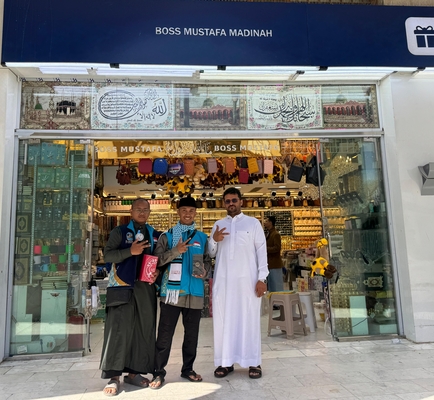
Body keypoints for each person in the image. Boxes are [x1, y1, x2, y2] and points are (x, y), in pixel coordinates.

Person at [100, 198, 161, 396]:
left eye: (145, 210)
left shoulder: (154, 234)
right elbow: (108, 255)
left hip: (145, 289)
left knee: (143, 330)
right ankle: (114, 377)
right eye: (138, 209)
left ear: (149, 212)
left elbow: (159, 260)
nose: (142, 212)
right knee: (118, 330)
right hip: (121, 287)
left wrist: (158, 272)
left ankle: (134, 373)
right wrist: (130, 251)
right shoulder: (119, 232)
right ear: (131, 211)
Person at [149, 195, 211, 390]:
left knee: (192, 335)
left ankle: (188, 369)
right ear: (178, 212)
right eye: (184, 210)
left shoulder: (202, 238)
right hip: (172, 293)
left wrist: (205, 271)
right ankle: (158, 372)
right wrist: (176, 250)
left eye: (191, 211)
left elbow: (207, 261)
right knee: (165, 334)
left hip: (195, 293)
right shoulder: (167, 236)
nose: (188, 214)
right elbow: (157, 261)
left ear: (195, 213)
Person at [208, 187, 268, 380]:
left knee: (249, 320)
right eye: (227, 201)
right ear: (224, 203)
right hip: (224, 283)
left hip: (248, 282)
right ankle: (225, 362)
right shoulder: (218, 225)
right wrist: (214, 240)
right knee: (224, 321)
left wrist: (262, 278)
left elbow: (261, 251)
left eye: (234, 200)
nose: (231, 204)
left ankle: (254, 362)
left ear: (241, 201)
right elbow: (211, 253)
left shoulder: (253, 223)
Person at [264, 216, 284, 293]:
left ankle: (279, 300)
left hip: (275, 264)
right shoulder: (268, 233)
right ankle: (273, 300)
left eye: (266, 221)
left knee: (277, 286)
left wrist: (265, 249)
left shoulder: (275, 234)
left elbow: (277, 248)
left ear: (271, 222)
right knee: (272, 286)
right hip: (270, 264)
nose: (265, 223)